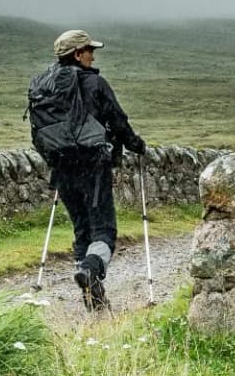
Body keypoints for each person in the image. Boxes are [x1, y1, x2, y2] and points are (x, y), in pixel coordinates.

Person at [26, 29, 146, 311]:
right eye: (90, 51)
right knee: (104, 230)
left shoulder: (44, 85)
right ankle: (92, 269)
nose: (93, 55)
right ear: (78, 55)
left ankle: (93, 298)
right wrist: (136, 144)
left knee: (82, 229)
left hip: (61, 167)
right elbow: (117, 120)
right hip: (92, 165)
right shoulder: (94, 83)